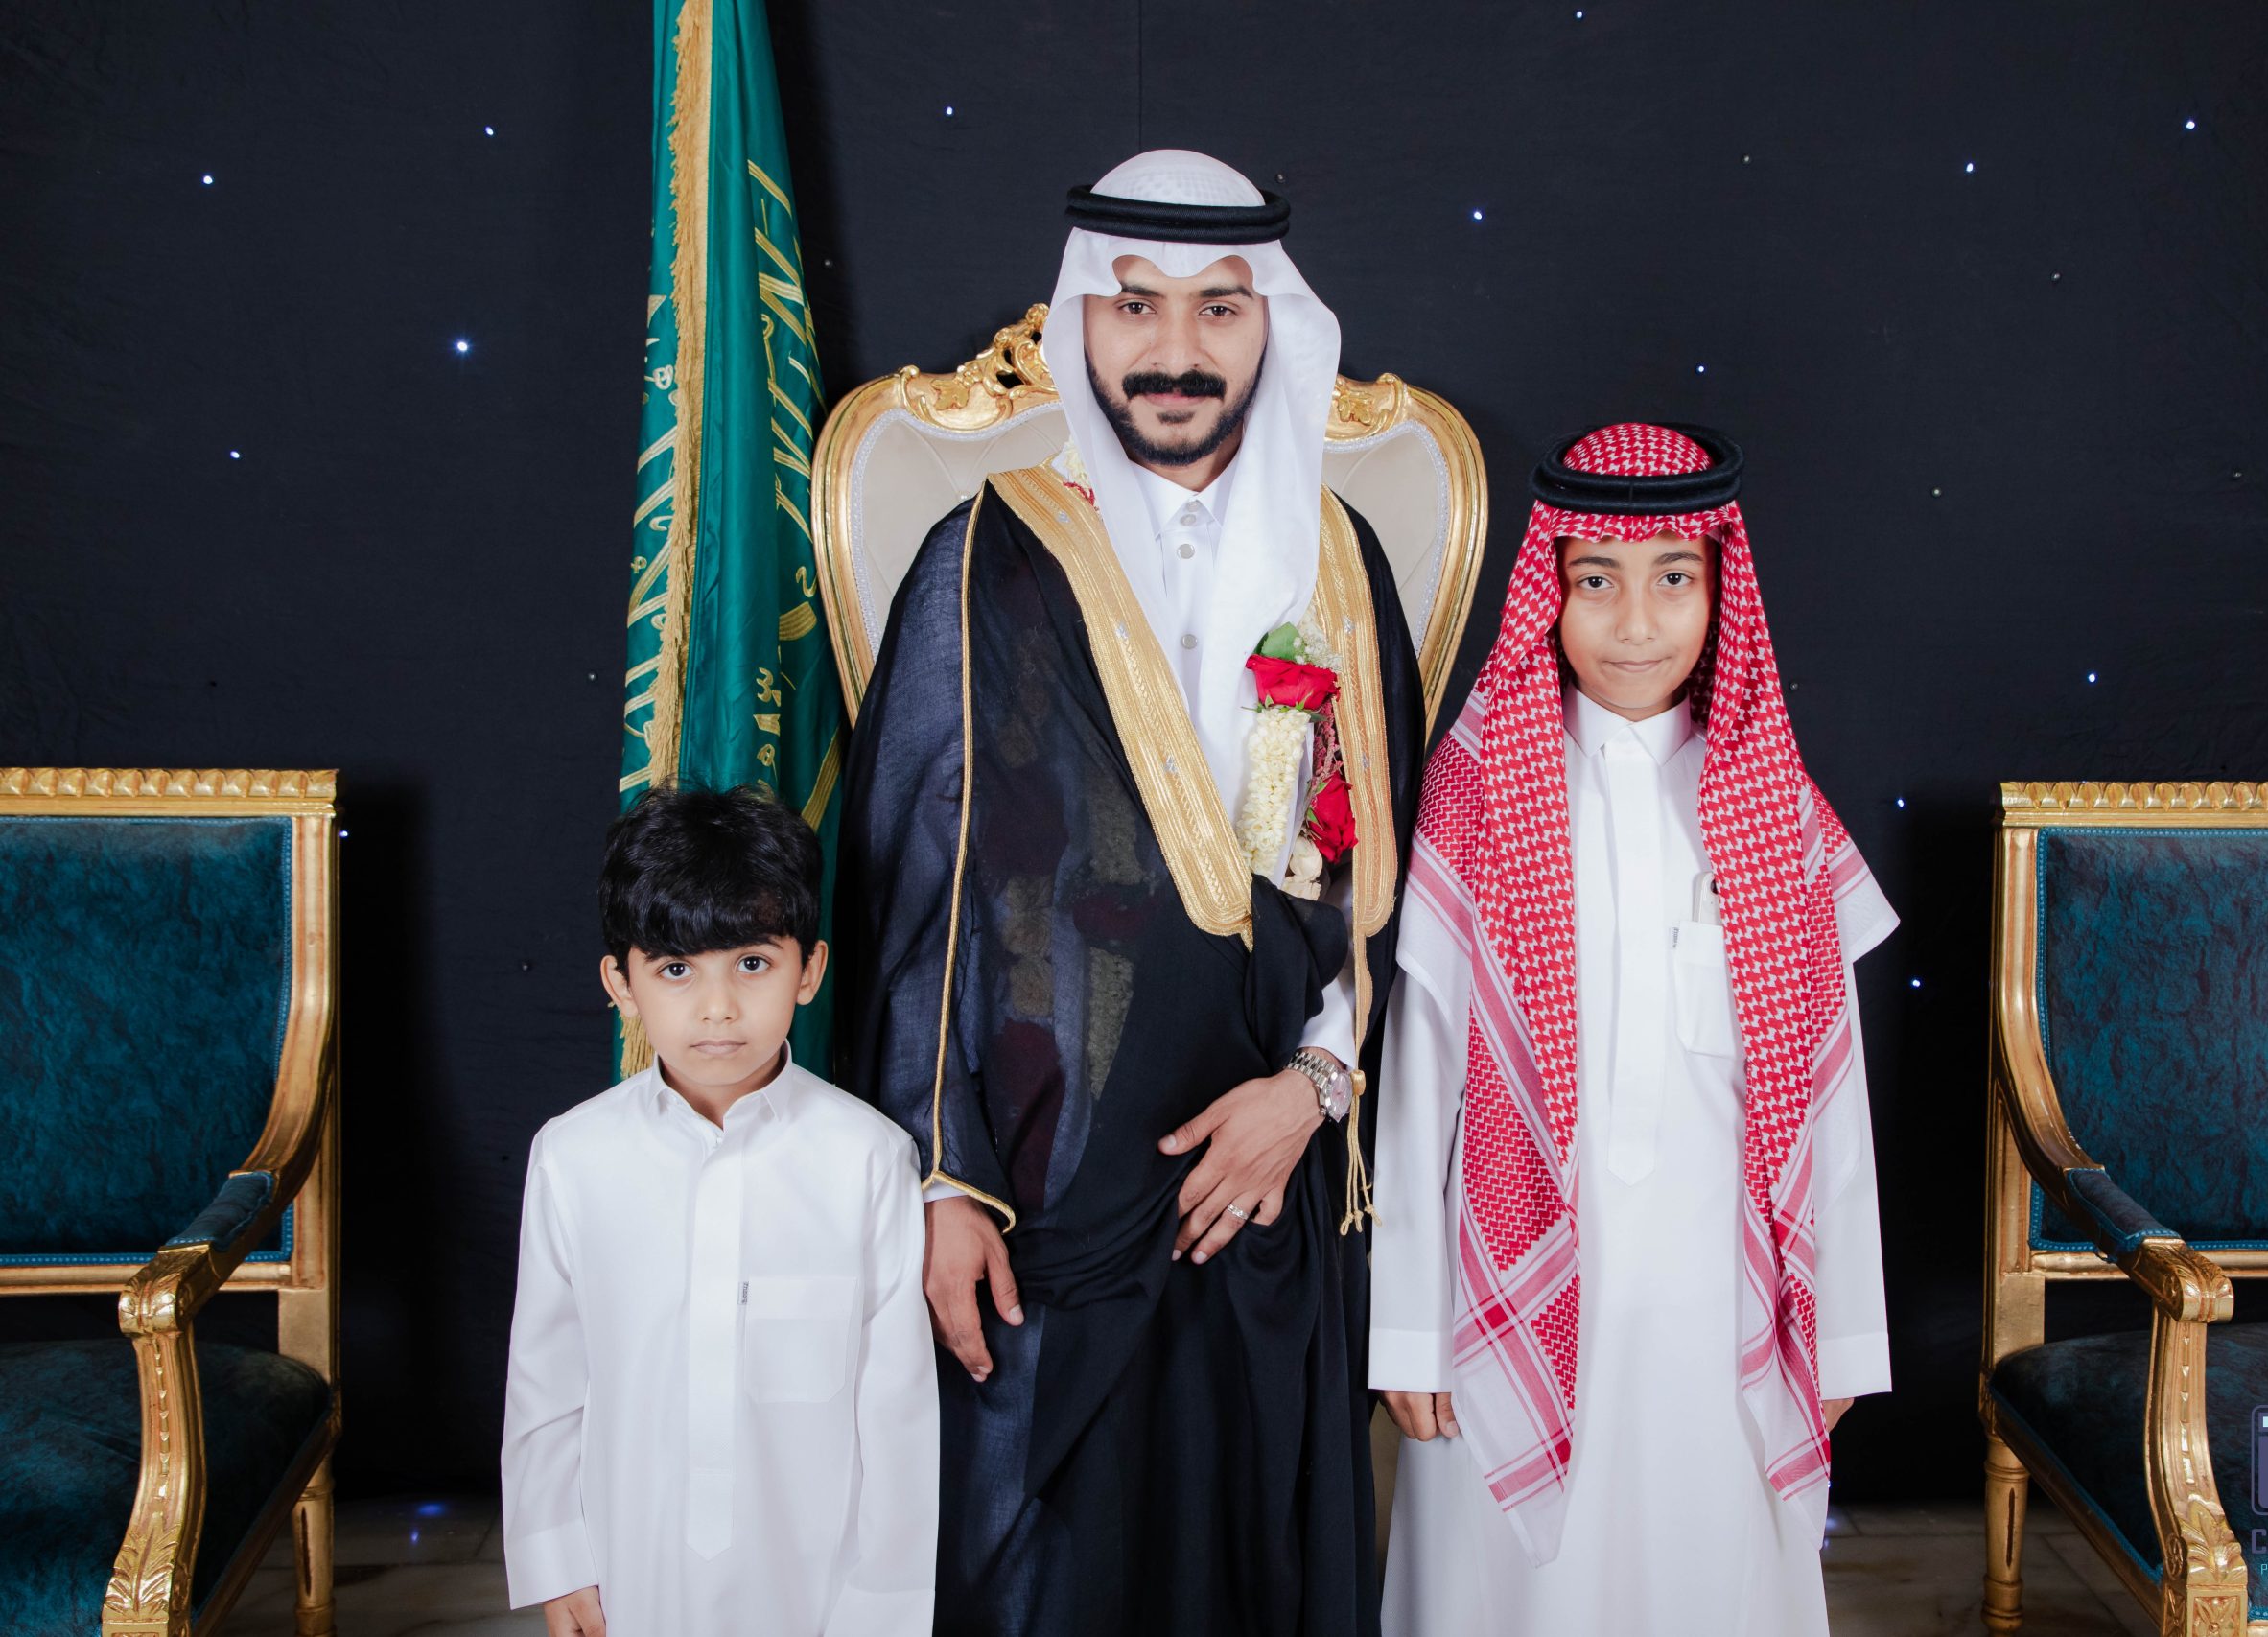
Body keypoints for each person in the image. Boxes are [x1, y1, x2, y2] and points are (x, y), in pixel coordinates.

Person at [835, 150, 1425, 1637]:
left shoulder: (1341, 564)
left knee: (1262, 1562)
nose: (1176, 349)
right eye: (1135, 304)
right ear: (1079, 321)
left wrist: (1315, 1088)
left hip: (1274, 1176)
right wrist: (943, 1184)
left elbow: (1396, 894)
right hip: (1047, 1187)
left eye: (1219, 307)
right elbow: (918, 906)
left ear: (1270, 323)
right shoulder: (982, 554)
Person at [1369, 424, 1896, 1634]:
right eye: (1596, 581)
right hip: (1502, 1285)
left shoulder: (1772, 805)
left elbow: (1834, 1101)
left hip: (1720, 1297)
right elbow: (1420, 1080)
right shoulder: (1475, 793)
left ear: (1719, 592)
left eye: (1673, 579)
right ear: (1547, 592)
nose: (1636, 623)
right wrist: (1406, 1327)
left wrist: (1842, 1334)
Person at [501, 784, 936, 1637]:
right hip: (633, 1568)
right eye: (676, 969)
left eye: (752, 963)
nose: (718, 1008)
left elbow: (896, 1412)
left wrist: (880, 1607)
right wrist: (560, 1559)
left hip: (817, 1587)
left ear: (808, 970)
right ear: (621, 983)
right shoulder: (573, 1157)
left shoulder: (867, 1159)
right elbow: (547, 1376)